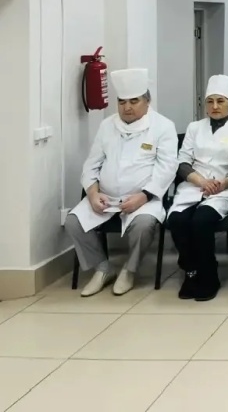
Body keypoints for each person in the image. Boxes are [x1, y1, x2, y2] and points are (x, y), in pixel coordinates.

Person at [66, 68, 178, 297]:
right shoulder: (107, 126)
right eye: (122, 102)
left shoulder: (163, 126)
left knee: (144, 225)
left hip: (144, 198)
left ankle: (129, 270)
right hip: (105, 197)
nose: (127, 107)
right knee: (73, 221)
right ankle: (102, 268)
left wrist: (143, 197)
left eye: (134, 101)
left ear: (147, 101)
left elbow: (167, 168)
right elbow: (91, 164)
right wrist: (92, 193)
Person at [166, 74, 228, 301]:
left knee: (201, 220)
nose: (215, 106)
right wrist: (201, 181)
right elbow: (182, 162)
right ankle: (191, 271)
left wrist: (224, 182)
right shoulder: (194, 128)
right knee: (177, 220)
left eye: (220, 101)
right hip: (194, 185)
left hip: (225, 188)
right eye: (210, 101)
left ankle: (209, 275)